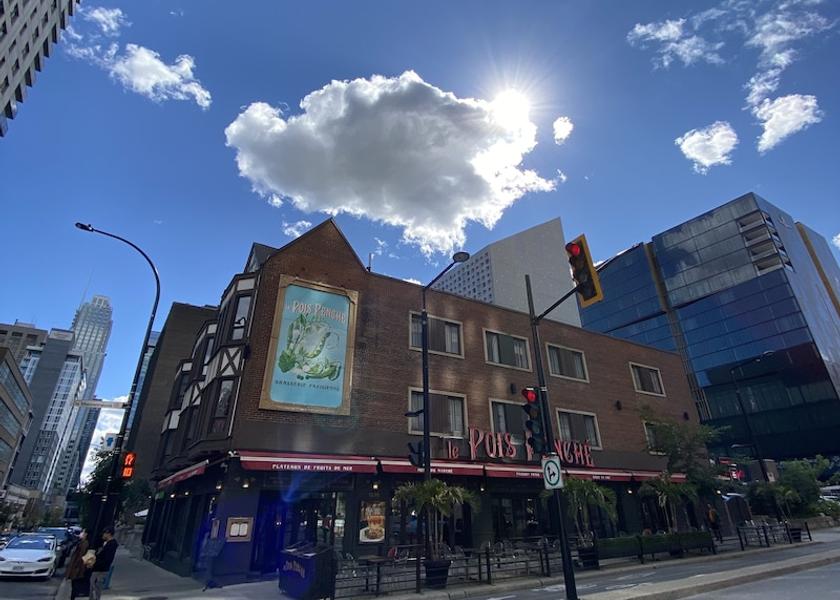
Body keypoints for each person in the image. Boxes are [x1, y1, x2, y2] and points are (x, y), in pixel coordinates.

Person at [56, 529, 91, 600]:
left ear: (86, 534)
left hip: (77, 568)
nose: (81, 534)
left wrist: (76, 566)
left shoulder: (84, 543)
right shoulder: (81, 542)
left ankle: (74, 597)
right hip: (76, 567)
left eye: (83, 532)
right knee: (74, 584)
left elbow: (81, 555)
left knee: (75, 584)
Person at [90, 527, 118, 600]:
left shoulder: (111, 544)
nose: (102, 535)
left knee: (96, 586)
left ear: (108, 534)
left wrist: (96, 563)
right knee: (93, 585)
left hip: (101, 569)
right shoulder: (106, 543)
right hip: (98, 568)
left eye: (104, 533)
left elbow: (107, 559)